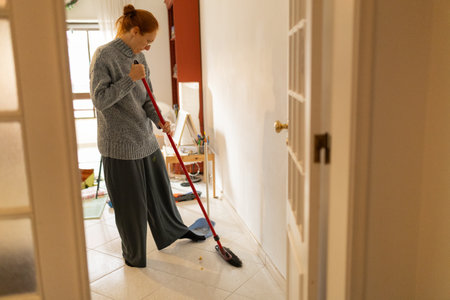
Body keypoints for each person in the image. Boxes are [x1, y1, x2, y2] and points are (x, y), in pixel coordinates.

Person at [89, 4, 204, 268]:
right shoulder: (103, 56)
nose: (148, 48)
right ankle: (134, 256)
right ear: (134, 31)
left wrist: (160, 121)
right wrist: (129, 79)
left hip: (145, 139)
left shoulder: (141, 58)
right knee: (131, 208)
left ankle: (172, 232)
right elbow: (99, 99)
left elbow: (147, 99)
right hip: (119, 146)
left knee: (160, 194)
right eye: (148, 41)